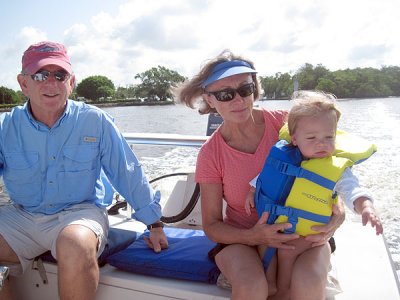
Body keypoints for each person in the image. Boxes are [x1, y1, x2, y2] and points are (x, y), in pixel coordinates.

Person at [0, 41, 168, 300]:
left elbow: (126, 171)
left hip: (79, 212)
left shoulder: (95, 120)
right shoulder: (5, 127)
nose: (51, 83)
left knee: (75, 244)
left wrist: (154, 223)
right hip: (22, 215)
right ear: (24, 84)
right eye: (41, 75)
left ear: (71, 82)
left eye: (60, 75)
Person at [174, 50, 346, 300]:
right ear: (210, 100)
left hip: (302, 231)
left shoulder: (287, 125)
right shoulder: (210, 154)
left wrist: (337, 208)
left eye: (245, 89)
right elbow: (211, 225)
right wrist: (254, 235)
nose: (238, 100)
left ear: (255, 89)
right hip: (241, 238)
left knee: (307, 283)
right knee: (253, 287)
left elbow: (330, 162)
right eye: (225, 94)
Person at [244, 91, 383, 299]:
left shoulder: (338, 169)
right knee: (267, 245)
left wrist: (365, 206)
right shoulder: (284, 156)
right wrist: (252, 190)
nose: (321, 143)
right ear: (294, 138)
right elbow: (265, 176)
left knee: (288, 250)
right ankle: (272, 284)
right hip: (277, 226)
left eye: (329, 137)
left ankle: (283, 292)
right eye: (312, 137)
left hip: (312, 233)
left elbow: (353, 190)